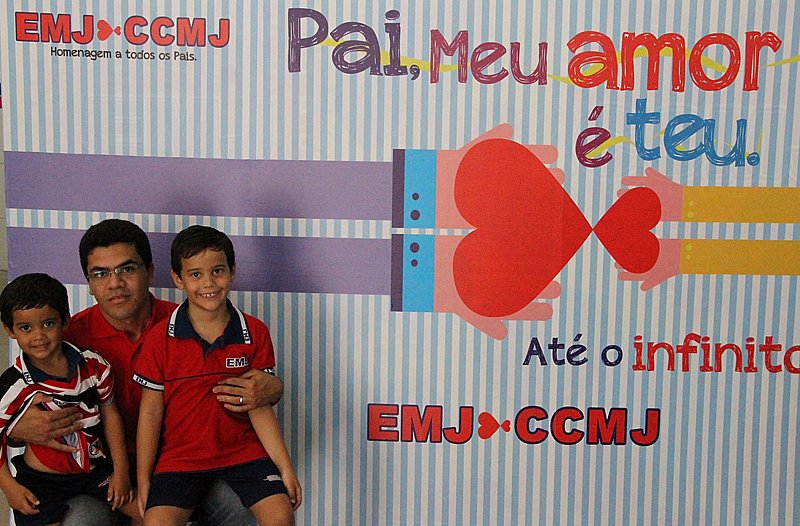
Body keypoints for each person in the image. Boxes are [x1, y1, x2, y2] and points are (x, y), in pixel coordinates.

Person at [8, 219, 284, 525]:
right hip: (100, 473)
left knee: (237, 504)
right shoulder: (64, 339)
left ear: (150, 272)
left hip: (180, 463)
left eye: (127, 269)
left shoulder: (186, 323)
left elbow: (239, 377)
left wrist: (274, 388)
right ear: (88, 282)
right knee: (81, 520)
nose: (115, 283)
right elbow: (18, 397)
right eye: (100, 273)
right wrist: (16, 428)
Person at [134, 225, 301, 525]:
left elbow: (259, 406)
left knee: (280, 516)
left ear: (232, 271)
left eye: (218, 271)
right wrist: (144, 478)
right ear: (178, 279)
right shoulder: (159, 338)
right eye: (195, 274)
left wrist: (285, 468)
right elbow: (150, 412)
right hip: (180, 459)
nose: (208, 283)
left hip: (244, 454)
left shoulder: (254, 332)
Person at [0, 273, 140, 525]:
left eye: (48, 324)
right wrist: (9, 485)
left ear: (65, 321)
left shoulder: (94, 365)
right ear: (9, 330)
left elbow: (111, 415)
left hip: (96, 470)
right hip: (43, 482)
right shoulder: (14, 384)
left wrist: (121, 472)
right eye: (25, 328)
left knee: (148, 513)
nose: (39, 336)